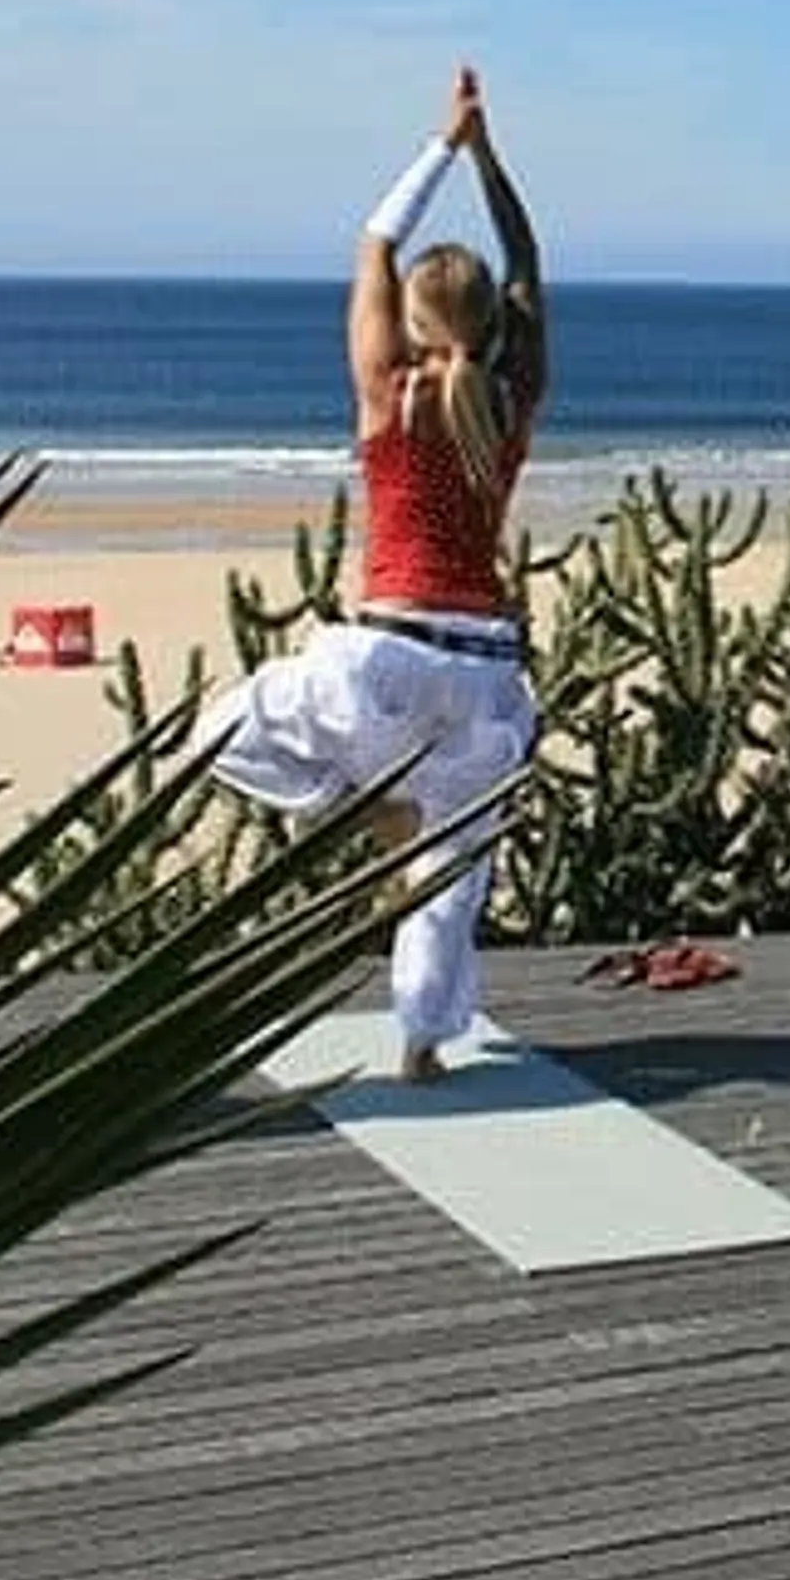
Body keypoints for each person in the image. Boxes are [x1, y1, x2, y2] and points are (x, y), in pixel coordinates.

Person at [201, 66, 549, 1082]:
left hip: (386, 656)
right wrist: (491, 158)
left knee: (218, 734)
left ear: (413, 320)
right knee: (450, 882)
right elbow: (525, 256)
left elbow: (372, 240)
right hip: (485, 674)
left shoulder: (388, 394)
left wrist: (445, 145)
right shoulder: (512, 396)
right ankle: (421, 1046)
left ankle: (361, 810)